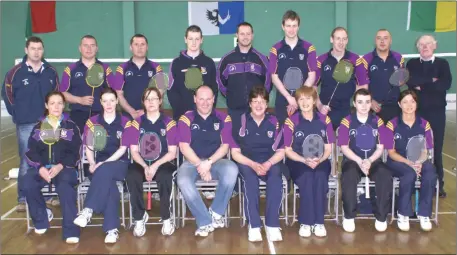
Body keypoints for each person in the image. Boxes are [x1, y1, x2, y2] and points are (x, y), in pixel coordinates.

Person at [1, 36, 60, 212]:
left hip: (48, 124)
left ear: (43, 50)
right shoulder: (14, 73)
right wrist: (17, 114)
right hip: (25, 123)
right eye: (33, 48)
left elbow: (57, 96)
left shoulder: (50, 71)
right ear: (26, 50)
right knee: (27, 161)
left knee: (49, 158)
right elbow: (7, 95)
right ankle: (23, 198)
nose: (36, 52)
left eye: (39, 48)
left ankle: (49, 195)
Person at [176, 85, 239, 237]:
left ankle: (216, 212)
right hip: (192, 162)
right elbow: (184, 147)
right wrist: (200, 165)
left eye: (208, 99)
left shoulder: (224, 118)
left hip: (216, 161)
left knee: (232, 170)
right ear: (195, 99)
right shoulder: (186, 119)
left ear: (214, 100)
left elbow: (225, 147)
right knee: (183, 180)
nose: (205, 103)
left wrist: (208, 163)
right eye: (201, 99)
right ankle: (204, 221)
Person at [73, 88, 131, 244]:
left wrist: (103, 164)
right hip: (97, 166)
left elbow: (123, 149)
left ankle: (88, 209)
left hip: (120, 164)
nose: (109, 104)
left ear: (117, 101)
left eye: (112, 100)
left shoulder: (126, 121)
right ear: (101, 103)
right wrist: (91, 163)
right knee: (110, 186)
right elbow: (89, 147)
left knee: (105, 171)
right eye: (105, 101)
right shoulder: (92, 122)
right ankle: (112, 230)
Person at [22, 91, 81, 244]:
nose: (56, 106)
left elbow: (76, 151)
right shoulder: (38, 127)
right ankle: (41, 219)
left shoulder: (70, 127)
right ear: (46, 106)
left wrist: (60, 166)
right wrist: (40, 168)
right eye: (52, 103)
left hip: (64, 168)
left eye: (60, 103)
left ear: (64, 105)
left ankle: (71, 230)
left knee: (65, 187)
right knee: (28, 183)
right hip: (42, 169)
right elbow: (31, 151)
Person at [230, 85, 285, 242]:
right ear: (250, 104)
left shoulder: (275, 122)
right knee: (250, 180)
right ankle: (254, 225)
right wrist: (253, 164)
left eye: (262, 101)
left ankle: (272, 224)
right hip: (247, 162)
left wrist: (268, 163)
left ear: (267, 104)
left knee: (276, 177)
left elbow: (281, 152)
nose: (259, 105)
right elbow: (235, 153)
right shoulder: (240, 121)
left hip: (269, 160)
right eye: (255, 101)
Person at [337, 88, 393, 233]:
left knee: (385, 175)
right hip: (352, 159)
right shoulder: (346, 121)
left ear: (371, 103)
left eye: (367, 102)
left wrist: (369, 160)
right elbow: (344, 147)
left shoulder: (378, 121)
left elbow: (380, 147)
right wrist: (359, 160)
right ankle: (349, 216)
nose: (364, 105)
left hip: (373, 159)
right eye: (360, 102)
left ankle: (381, 217)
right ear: (354, 104)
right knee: (348, 176)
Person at [124, 87, 177, 237]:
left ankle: (166, 218)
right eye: (147, 99)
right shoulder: (135, 123)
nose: (151, 102)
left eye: (154, 98)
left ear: (160, 101)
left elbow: (172, 152)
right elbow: (134, 151)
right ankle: (139, 218)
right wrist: (144, 166)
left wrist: (154, 166)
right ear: (143, 102)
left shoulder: (169, 123)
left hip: (163, 162)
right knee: (132, 175)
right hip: (141, 162)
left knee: (165, 177)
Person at [283, 86, 334, 238]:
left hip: (321, 160)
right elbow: (287, 150)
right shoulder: (291, 121)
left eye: (308, 98)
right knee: (306, 177)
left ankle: (319, 222)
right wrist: (304, 160)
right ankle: (305, 222)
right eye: (301, 99)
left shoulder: (325, 120)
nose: (305, 102)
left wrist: (320, 160)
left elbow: (328, 148)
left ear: (314, 101)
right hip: (298, 161)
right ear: (297, 102)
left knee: (319, 177)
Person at [406, 34, 452, 198]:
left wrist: (422, 85)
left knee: (436, 149)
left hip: (437, 113)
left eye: (428, 44)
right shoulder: (411, 64)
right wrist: (431, 81)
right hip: (417, 113)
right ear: (417, 47)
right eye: (421, 44)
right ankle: (416, 184)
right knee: (416, 149)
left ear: (435, 46)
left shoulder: (443, 64)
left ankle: (438, 185)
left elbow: (445, 84)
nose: (425, 47)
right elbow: (411, 82)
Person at [384, 89, 437, 231]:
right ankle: (403, 213)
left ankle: (424, 214)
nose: (409, 105)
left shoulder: (424, 124)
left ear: (416, 104)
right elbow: (391, 152)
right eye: (405, 102)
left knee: (431, 172)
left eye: (412, 101)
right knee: (409, 174)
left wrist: (418, 162)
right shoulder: (391, 124)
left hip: (419, 160)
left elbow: (426, 151)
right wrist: (409, 163)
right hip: (397, 161)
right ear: (399, 104)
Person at [217, 22, 271, 141]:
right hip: (235, 110)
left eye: (248, 34)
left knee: (257, 142)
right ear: (237, 35)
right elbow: (220, 83)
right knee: (237, 143)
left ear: (252, 35)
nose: (245, 37)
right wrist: (232, 96)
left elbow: (268, 83)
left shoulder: (262, 59)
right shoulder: (227, 59)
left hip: (257, 110)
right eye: (242, 34)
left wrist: (259, 101)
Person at [269, 10, 317, 126]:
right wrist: (288, 97)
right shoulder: (275, 49)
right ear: (283, 26)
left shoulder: (309, 48)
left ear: (298, 26)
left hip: (304, 102)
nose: (291, 29)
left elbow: (312, 76)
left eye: (294, 26)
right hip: (282, 101)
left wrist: (298, 98)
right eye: (288, 26)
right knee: (284, 137)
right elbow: (274, 77)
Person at [59, 35, 116, 133]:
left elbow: (114, 92)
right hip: (78, 115)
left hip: (101, 115)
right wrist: (79, 100)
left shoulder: (106, 69)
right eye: (85, 45)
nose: (89, 48)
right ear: (80, 48)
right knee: (78, 146)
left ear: (97, 49)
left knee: (100, 145)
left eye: (92, 45)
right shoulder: (70, 69)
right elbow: (62, 93)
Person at [315, 27, 364, 130]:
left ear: (347, 41)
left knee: (344, 145)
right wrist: (319, 106)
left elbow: (362, 86)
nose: (341, 42)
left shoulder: (355, 60)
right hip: (325, 110)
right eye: (338, 38)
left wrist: (358, 107)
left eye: (344, 39)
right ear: (331, 39)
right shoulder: (321, 60)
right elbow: (312, 87)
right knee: (327, 145)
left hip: (347, 111)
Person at [167, 25, 218, 121]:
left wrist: (207, 110)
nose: (194, 42)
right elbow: (171, 90)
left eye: (197, 39)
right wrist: (181, 111)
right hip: (181, 117)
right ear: (185, 39)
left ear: (201, 40)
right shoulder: (176, 63)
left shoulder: (209, 62)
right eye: (190, 39)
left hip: (205, 117)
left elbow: (214, 89)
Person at [356, 29, 405, 123]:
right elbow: (361, 86)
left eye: (385, 38)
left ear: (391, 41)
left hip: (394, 107)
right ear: (375, 41)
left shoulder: (398, 58)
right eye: (379, 38)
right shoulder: (366, 59)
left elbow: (401, 81)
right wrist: (370, 101)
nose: (382, 41)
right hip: (374, 108)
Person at [113, 34, 164, 120]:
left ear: (147, 47)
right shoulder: (121, 68)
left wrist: (145, 111)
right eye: (136, 44)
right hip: (128, 117)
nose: (139, 47)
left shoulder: (157, 68)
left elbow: (160, 92)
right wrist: (132, 112)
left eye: (142, 44)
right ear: (131, 47)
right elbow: (119, 94)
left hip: (151, 116)